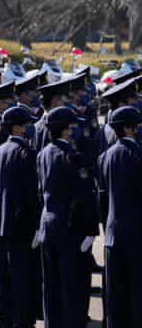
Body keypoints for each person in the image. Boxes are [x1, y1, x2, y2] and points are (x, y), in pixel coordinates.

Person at [37, 106, 98, 328]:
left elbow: (40, 191)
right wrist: (91, 229)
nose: (75, 130)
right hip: (70, 228)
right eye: (72, 126)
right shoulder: (73, 157)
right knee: (72, 286)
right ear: (64, 131)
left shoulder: (43, 153)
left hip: (48, 225)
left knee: (51, 286)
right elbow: (83, 197)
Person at [0, 106, 39, 328]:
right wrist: (36, 224)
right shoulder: (27, 154)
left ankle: (6, 321)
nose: (30, 127)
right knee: (22, 277)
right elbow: (32, 193)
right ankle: (23, 322)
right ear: (16, 127)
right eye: (26, 124)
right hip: (21, 225)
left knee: (4, 277)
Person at [98, 106, 142, 328]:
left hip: (112, 233)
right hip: (136, 234)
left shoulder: (105, 156)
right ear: (127, 128)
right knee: (136, 293)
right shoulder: (137, 154)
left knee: (115, 294)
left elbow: (103, 198)